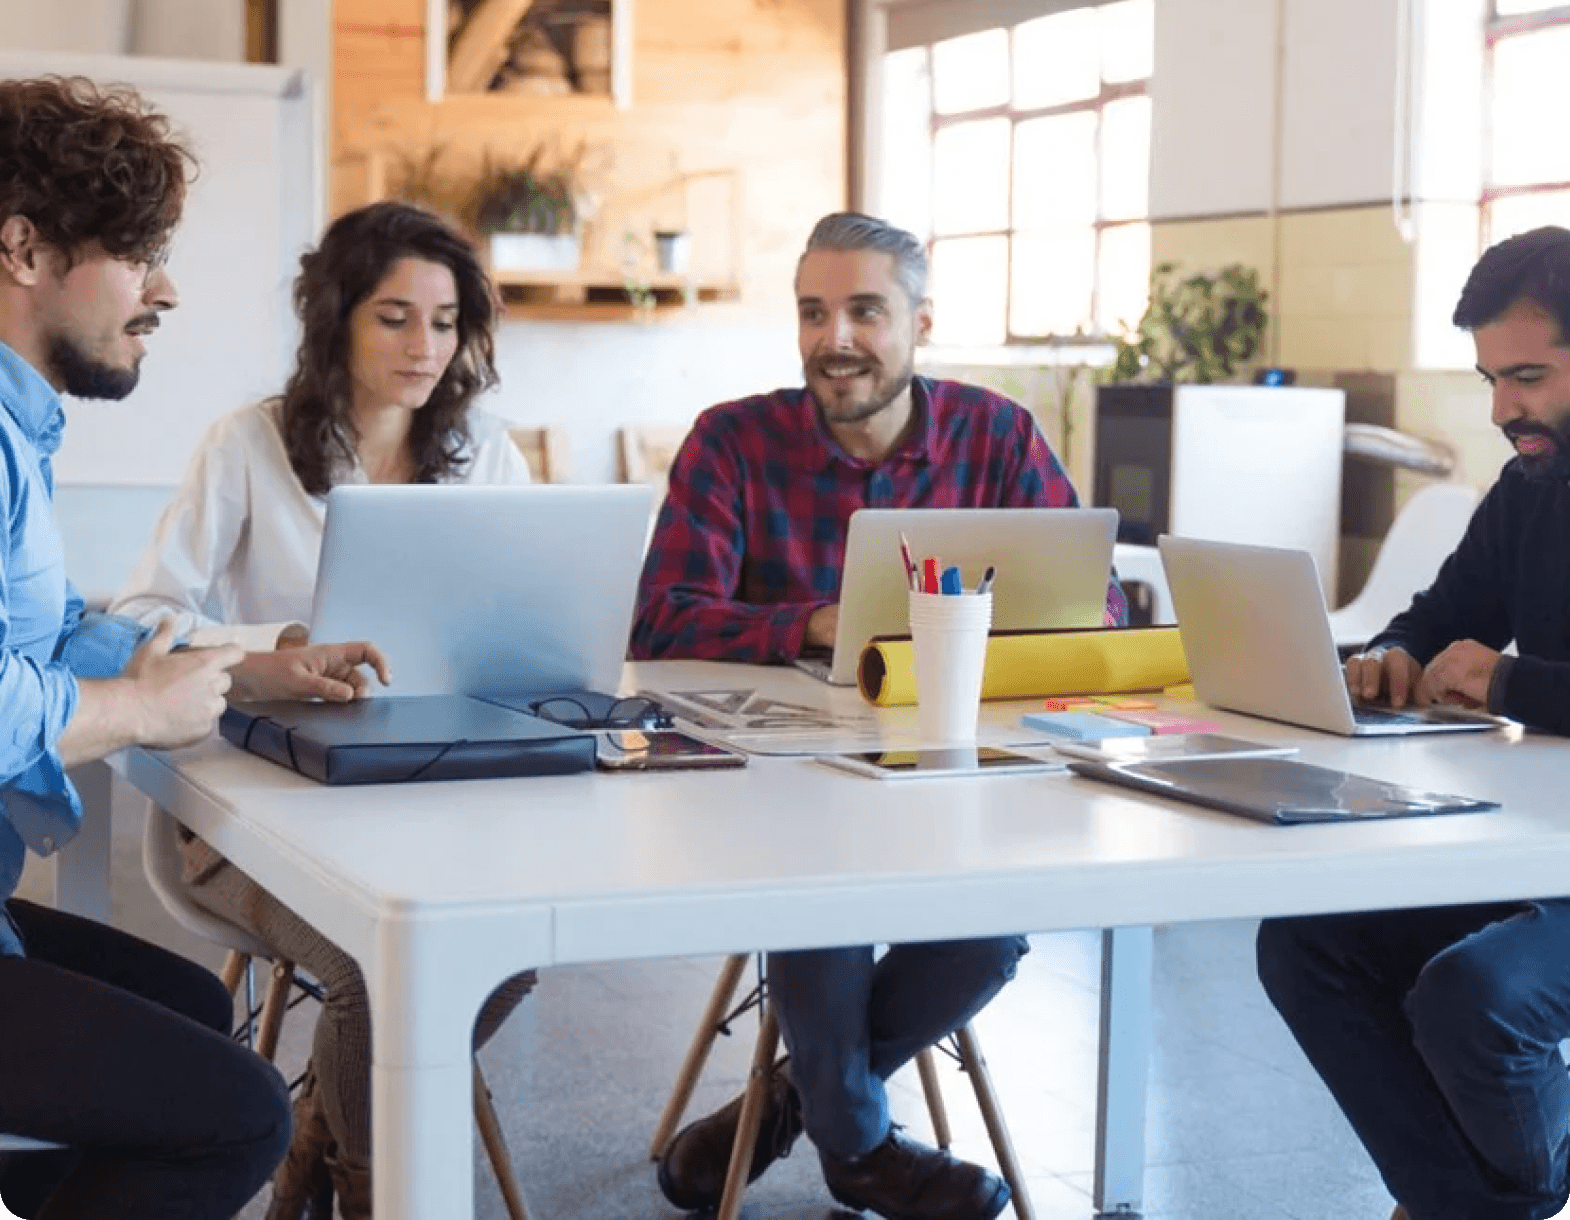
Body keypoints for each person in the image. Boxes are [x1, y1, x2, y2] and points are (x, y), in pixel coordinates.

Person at [633, 211, 1126, 1220]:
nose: (835, 338)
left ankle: (785, 1106)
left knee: (989, 937)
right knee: (823, 897)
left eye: (865, 311)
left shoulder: (996, 437)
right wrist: (813, 623)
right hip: (778, 794)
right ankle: (858, 1147)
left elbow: (1096, 611)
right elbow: (661, 618)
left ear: (921, 323)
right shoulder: (733, 440)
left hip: (951, 783)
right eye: (813, 313)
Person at [0, 74, 386, 1220]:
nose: (165, 289)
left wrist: (239, 667)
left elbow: (48, 631)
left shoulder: (21, 427)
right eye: (138, 254)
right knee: (240, 1117)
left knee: (193, 1014)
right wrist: (132, 711)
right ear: (24, 250)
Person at [111, 199, 535, 1220]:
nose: (424, 345)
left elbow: (525, 624)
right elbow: (140, 615)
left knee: (513, 951)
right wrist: (276, 647)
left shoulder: (488, 455)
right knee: (369, 966)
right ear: (336, 317)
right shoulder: (248, 443)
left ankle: (320, 1127)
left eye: (445, 321)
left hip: (431, 794)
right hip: (255, 800)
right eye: (395, 316)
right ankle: (371, 1191)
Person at [1256, 224, 1570, 1220]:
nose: (1501, 410)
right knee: (1307, 944)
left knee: (1475, 998)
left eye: (1526, 377)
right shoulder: (1531, 485)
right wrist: (1388, 653)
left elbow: (1504, 677)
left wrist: (1511, 683)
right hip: (1539, 848)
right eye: (1489, 379)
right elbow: (1438, 616)